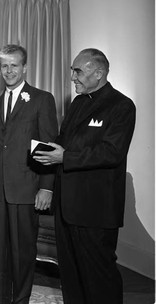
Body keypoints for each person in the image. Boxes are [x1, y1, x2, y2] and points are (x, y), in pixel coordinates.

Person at [33, 48, 136, 304]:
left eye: (77, 71)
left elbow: (111, 152)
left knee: (99, 277)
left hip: (96, 211)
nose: (72, 77)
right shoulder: (77, 102)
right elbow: (63, 142)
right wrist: (39, 150)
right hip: (67, 208)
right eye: (72, 70)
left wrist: (64, 157)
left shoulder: (122, 106)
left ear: (98, 73)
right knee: (70, 277)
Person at [0, 44, 58, 304]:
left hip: (27, 189)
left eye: (14, 65)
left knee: (23, 254)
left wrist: (46, 187)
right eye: (4, 66)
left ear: (25, 67)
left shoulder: (42, 99)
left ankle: (20, 300)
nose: (8, 71)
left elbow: (48, 146)